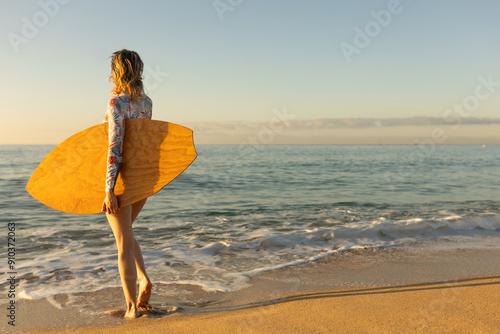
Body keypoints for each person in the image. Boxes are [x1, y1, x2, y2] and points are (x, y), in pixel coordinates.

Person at [101, 49, 153, 319]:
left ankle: (132, 307)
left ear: (116, 72)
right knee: (127, 235)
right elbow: (143, 145)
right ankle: (143, 278)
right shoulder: (147, 103)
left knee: (122, 243)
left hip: (122, 180)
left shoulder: (115, 104)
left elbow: (115, 147)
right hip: (142, 180)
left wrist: (109, 189)